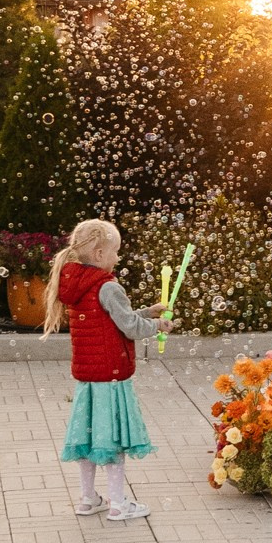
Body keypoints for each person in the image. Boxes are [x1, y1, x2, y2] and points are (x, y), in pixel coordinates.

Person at [43, 219, 170, 522]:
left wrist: (146, 312)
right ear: (99, 254)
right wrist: (158, 325)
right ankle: (118, 504)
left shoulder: (76, 282)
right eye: (115, 253)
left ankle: (88, 500)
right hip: (112, 377)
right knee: (112, 439)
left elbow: (115, 319)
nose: (117, 259)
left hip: (88, 378)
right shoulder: (109, 286)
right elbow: (129, 326)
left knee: (88, 439)